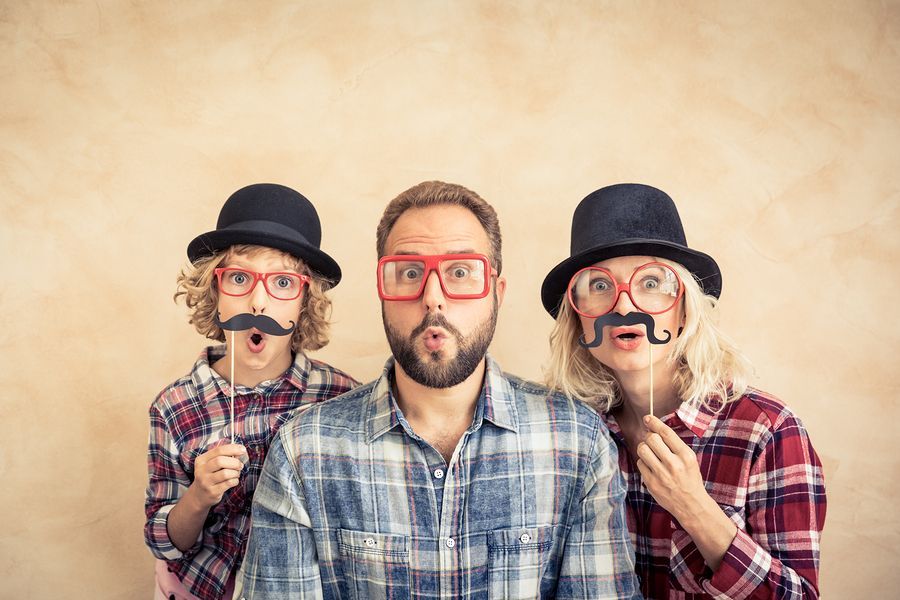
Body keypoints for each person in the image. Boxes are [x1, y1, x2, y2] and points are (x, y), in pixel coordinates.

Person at [240, 180, 641, 599]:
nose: (433, 298)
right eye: (409, 273)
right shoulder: (303, 452)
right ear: (382, 293)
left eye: (461, 272)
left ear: (496, 294)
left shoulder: (577, 442)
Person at [541, 183, 827, 599]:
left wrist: (694, 507)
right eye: (599, 286)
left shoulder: (766, 431)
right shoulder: (567, 432)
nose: (624, 307)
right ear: (578, 319)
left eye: (651, 282)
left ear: (685, 306)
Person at [144, 183, 359, 600]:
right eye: (240, 278)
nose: (258, 303)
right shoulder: (173, 408)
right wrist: (199, 496)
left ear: (304, 302)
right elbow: (163, 539)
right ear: (215, 293)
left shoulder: (341, 398)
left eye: (281, 282)